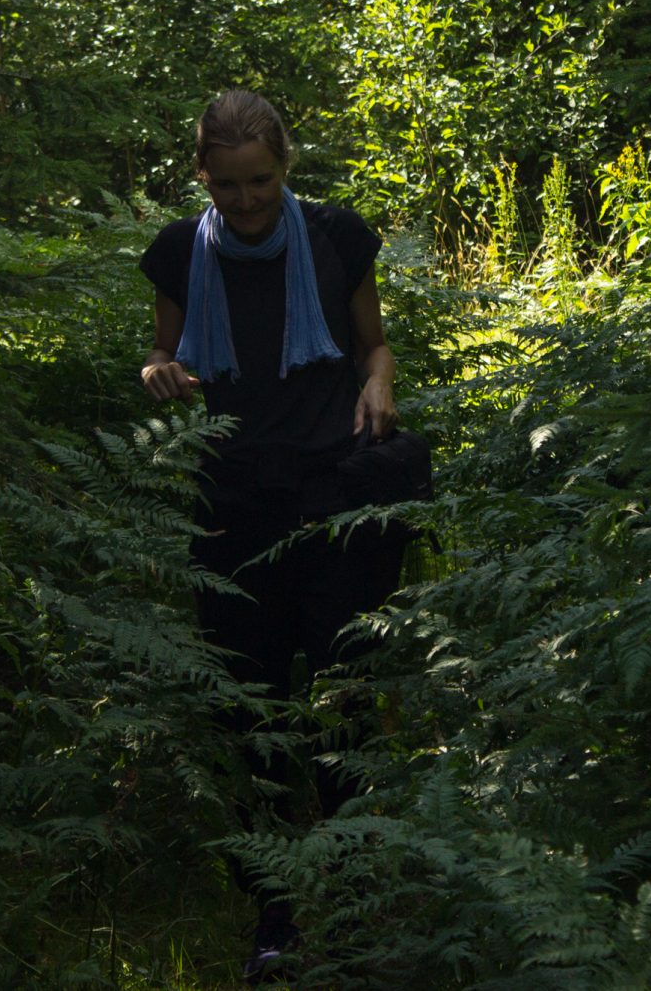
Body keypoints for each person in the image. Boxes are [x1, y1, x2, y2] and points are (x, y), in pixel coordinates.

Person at [137, 89, 403, 982]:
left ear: (285, 167)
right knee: (244, 709)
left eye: (261, 181)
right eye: (228, 185)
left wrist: (379, 381)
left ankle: (352, 893)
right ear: (202, 175)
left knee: (341, 697)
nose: (246, 201)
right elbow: (164, 351)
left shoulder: (336, 237)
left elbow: (373, 346)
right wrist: (159, 371)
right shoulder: (180, 251)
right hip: (231, 503)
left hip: (332, 494)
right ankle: (273, 909)